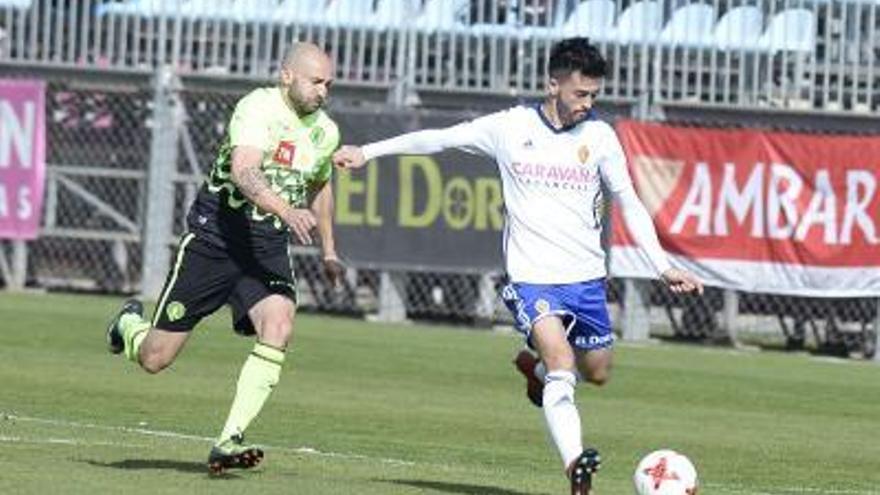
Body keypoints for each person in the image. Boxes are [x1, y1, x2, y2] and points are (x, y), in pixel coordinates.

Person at [332, 37, 703, 495]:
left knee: (598, 371)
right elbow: (439, 139)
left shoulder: (600, 137)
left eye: (594, 95)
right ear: (552, 85)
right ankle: (575, 469)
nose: (588, 104)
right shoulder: (510, 127)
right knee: (563, 360)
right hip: (532, 278)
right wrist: (367, 152)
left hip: (586, 279)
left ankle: (538, 375)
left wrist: (662, 266)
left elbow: (628, 200)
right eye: (579, 94)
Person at [104, 42, 344, 475]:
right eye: (316, 81)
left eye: (329, 83)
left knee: (280, 323)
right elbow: (245, 170)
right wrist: (287, 210)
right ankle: (127, 326)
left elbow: (321, 186)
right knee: (156, 359)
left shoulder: (326, 132)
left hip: (266, 246)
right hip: (216, 239)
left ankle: (228, 439)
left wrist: (329, 250)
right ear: (287, 75)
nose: (323, 90)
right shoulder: (257, 107)